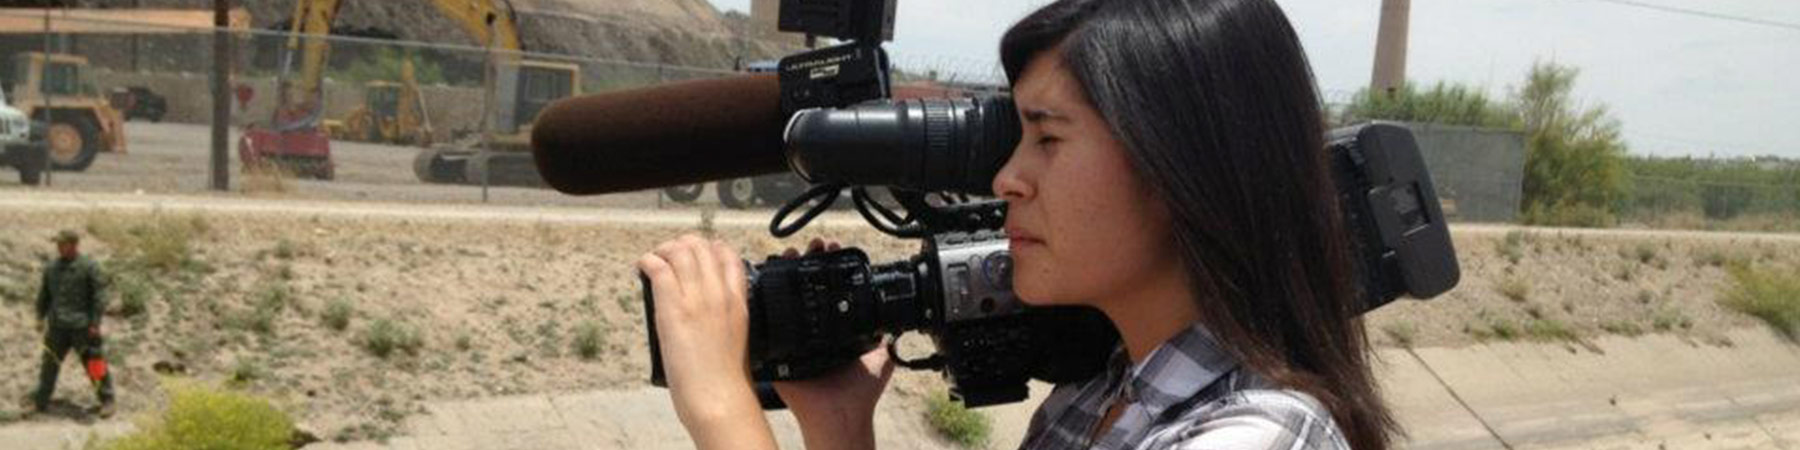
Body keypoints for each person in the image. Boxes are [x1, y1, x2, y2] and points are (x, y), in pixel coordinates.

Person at [636, 0, 1398, 449]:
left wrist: (723, 413)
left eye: (1048, 138)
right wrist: (840, 430)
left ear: (1177, 170)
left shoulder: (1257, 436)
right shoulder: (1097, 398)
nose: (1006, 180)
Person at [33, 229, 115, 418]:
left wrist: (95, 323)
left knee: (94, 364)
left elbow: (99, 297)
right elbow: (44, 295)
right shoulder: (51, 268)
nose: (59, 247)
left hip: (83, 328)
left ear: (73, 245)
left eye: (62, 244)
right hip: (57, 328)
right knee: (49, 365)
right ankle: (41, 401)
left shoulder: (89, 267)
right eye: (58, 244)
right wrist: (39, 316)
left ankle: (107, 401)